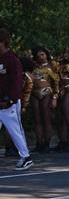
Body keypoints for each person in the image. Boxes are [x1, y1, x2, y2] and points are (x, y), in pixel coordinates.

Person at [0, 29, 32, 170]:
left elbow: (17, 82)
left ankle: (26, 157)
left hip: (9, 103)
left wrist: (11, 100)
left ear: (3, 43)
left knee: (15, 130)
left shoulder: (13, 60)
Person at [29, 47, 59, 153]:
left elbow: (56, 83)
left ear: (46, 55)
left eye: (42, 54)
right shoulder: (33, 67)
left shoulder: (51, 66)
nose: (40, 57)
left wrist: (55, 98)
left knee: (46, 118)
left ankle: (46, 144)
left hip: (46, 92)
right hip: (34, 94)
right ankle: (39, 143)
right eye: (38, 55)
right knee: (37, 119)